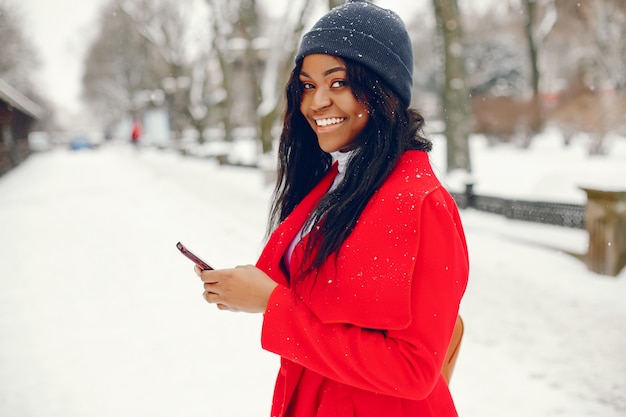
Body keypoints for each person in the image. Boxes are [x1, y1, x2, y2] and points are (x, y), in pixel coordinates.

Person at [194, 1, 469, 416]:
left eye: (337, 83)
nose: (315, 102)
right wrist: (249, 289)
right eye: (307, 85)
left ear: (383, 90)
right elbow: (322, 298)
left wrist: (273, 305)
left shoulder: (420, 203)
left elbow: (413, 370)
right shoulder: (338, 181)